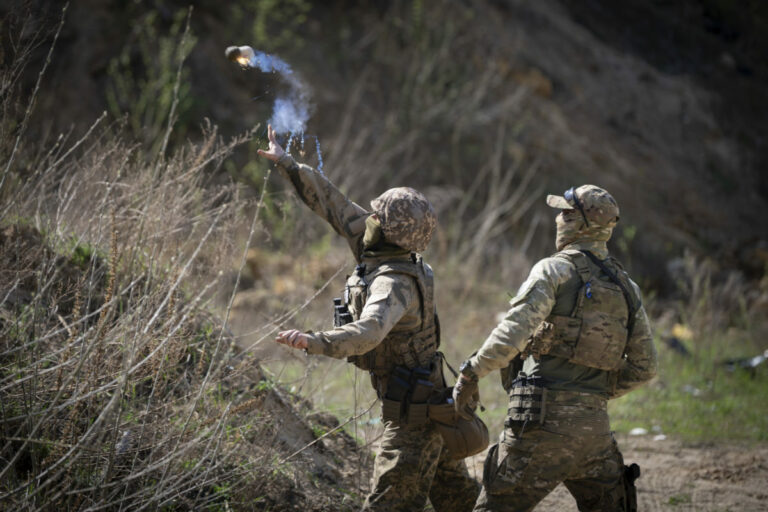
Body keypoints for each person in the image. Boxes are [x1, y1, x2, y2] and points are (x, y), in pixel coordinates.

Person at [258, 125, 479, 512]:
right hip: (422, 399)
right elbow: (332, 203)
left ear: (389, 231)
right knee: (458, 499)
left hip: (415, 415)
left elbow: (369, 332)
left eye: (376, 214)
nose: (368, 216)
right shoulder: (383, 246)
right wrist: (289, 165)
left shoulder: (394, 284)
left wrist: (315, 341)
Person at [453, 185, 657, 511]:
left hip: (539, 427)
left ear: (583, 224)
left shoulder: (554, 270)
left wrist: (471, 371)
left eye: (566, 213)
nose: (558, 219)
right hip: (596, 433)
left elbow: (512, 333)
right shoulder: (627, 287)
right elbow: (645, 367)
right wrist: (593, 393)